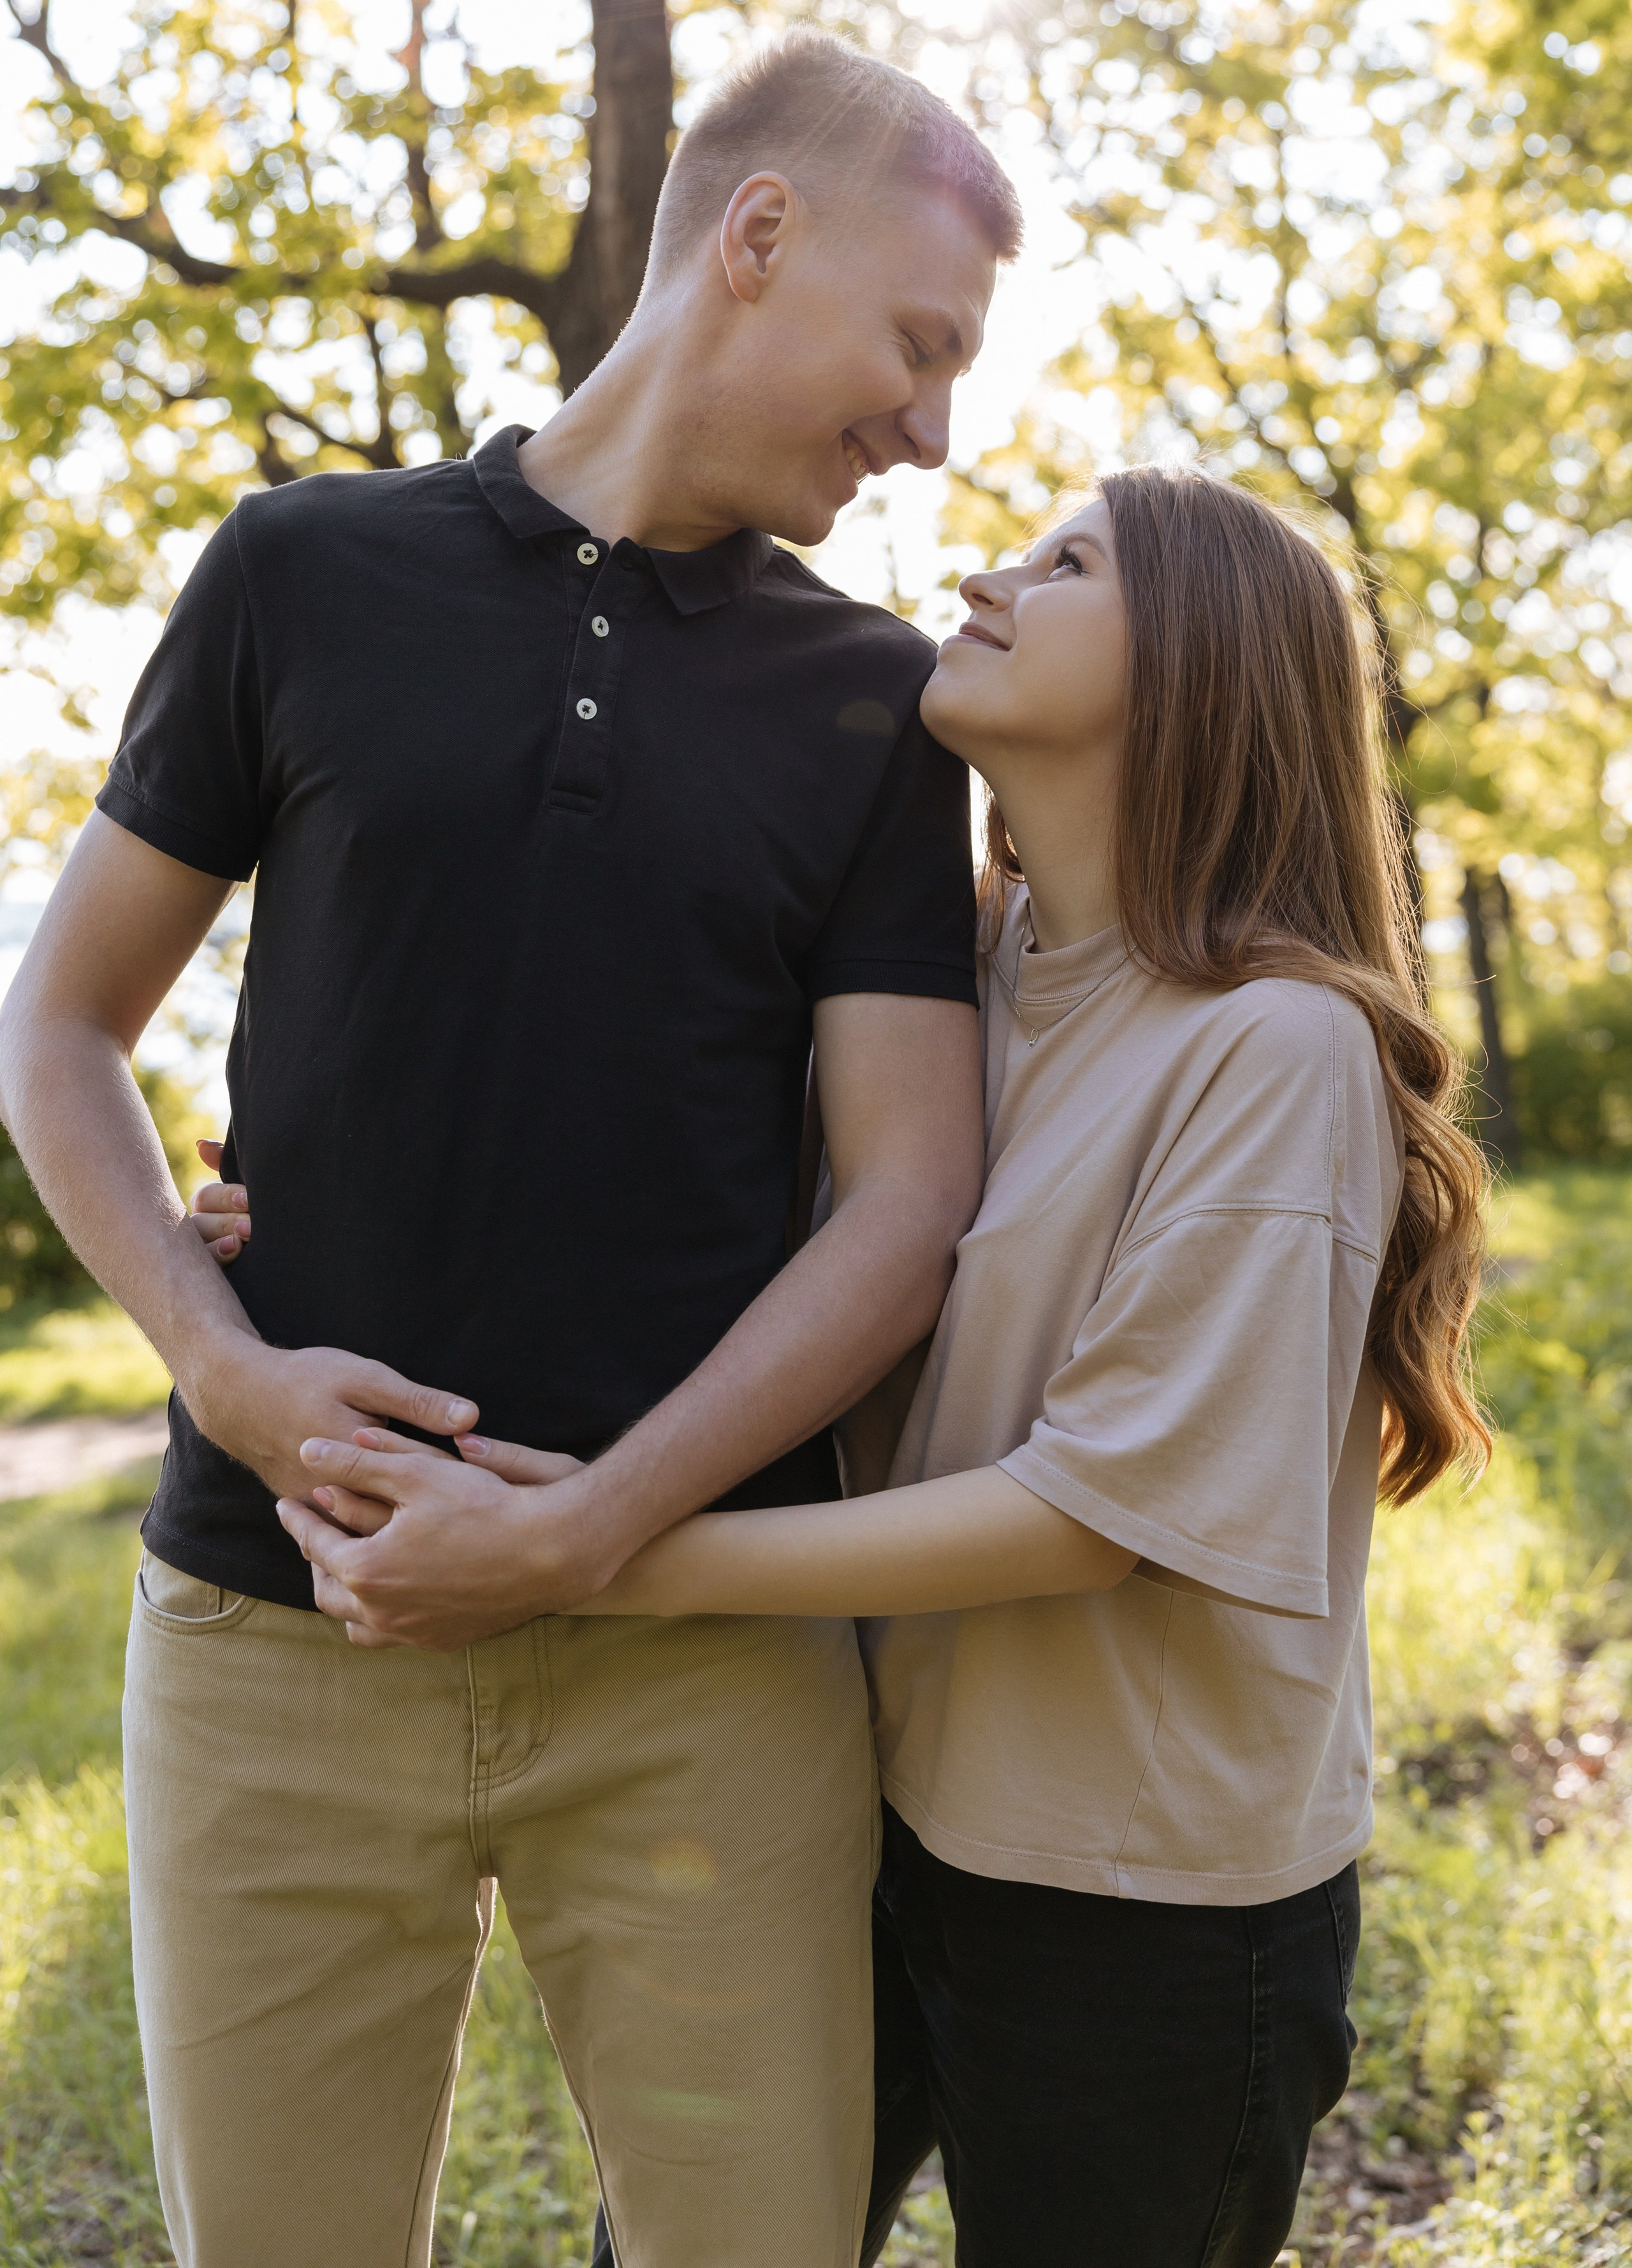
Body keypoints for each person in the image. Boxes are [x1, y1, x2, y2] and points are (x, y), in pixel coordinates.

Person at [0, 31, 1026, 2268]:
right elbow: (64, 1026)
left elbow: (912, 1200)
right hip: (279, 1631)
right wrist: (223, 1367)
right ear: (756, 239)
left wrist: (594, 1536)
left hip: (702, 1669)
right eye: (919, 345)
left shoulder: (868, 704)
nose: (933, 426)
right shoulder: (299, 573)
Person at [289, 467, 1487, 2266]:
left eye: (1068, 561)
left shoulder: (1278, 1046)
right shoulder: (957, 977)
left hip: (1142, 1902)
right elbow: (689, 1218)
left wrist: (586, 1558)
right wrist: (294, 1216)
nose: (991, 570)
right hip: (861, 1809)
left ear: (1204, 669)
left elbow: (1095, 1511)